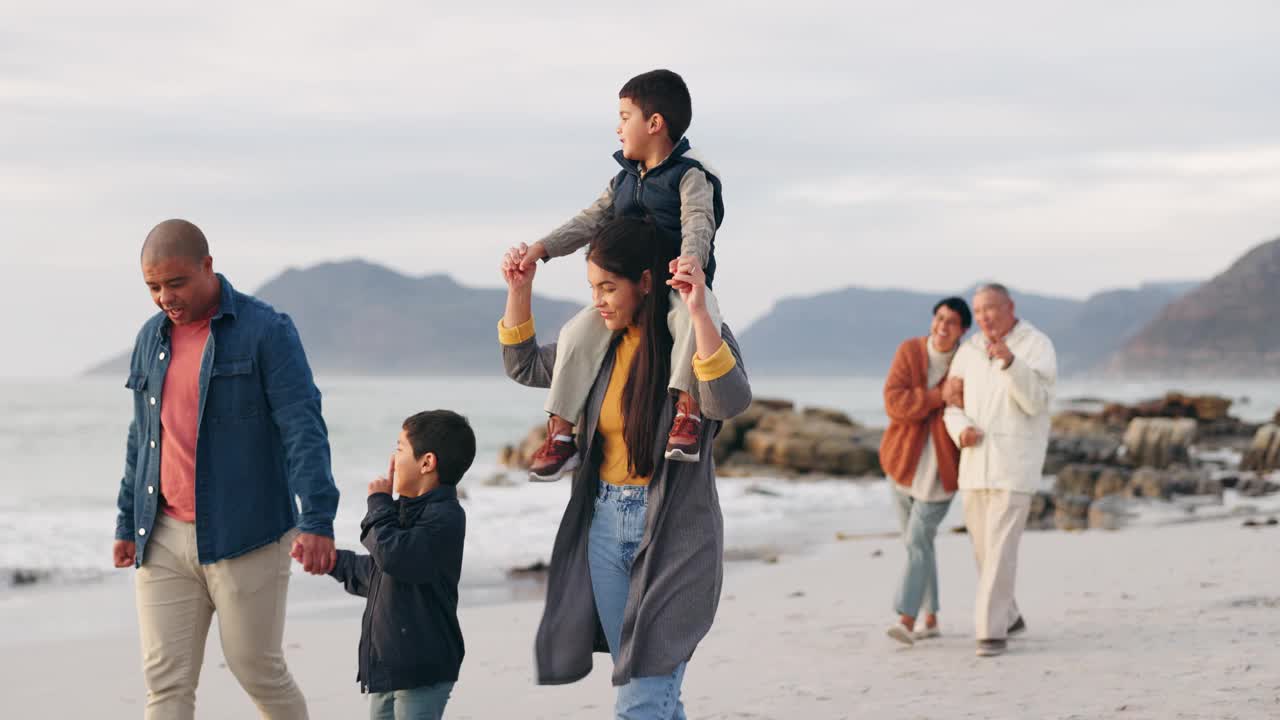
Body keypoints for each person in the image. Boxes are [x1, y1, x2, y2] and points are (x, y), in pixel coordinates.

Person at [498, 217, 750, 719]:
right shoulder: (593, 348)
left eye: (609, 287)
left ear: (647, 282)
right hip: (606, 530)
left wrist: (700, 314)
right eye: (593, 288)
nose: (600, 301)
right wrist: (520, 291)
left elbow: (728, 401)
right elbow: (524, 365)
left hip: (676, 536)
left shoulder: (692, 344)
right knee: (649, 692)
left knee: (639, 699)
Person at [112, 219, 339, 718]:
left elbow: (302, 427)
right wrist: (127, 521)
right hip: (164, 532)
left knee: (256, 668)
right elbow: (142, 436)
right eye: (153, 287)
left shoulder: (267, 331)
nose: (164, 297)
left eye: (176, 283)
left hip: (247, 531)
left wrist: (317, 520)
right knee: (165, 682)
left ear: (207, 266)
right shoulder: (151, 338)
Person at [511, 68, 726, 480]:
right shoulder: (623, 179)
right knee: (576, 333)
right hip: (628, 294)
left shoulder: (690, 174)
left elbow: (699, 221)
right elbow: (591, 219)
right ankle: (561, 433)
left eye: (625, 116)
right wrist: (543, 248)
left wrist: (690, 263)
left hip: (679, 286)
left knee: (693, 324)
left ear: (654, 123)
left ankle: (687, 412)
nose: (618, 127)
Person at [316, 410, 473, 720]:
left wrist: (377, 502)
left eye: (399, 448)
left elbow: (394, 556)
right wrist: (332, 561)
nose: (393, 458)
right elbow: (376, 573)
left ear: (427, 462)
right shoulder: (401, 515)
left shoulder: (445, 517)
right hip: (387, 666)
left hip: (422, 668)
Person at [943, 283, 1057, 657]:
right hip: (975, 466)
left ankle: (990, 633)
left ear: (1010, 306)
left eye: (990, 309)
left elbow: (1037, 401)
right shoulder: (968, 351)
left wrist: (1010, 363)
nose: (984, 318)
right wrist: (961, 431)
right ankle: (1008, 615)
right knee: (983, 550)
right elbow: (951, 405)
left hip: (1015, 464)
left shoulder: (1036, 345)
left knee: (1001, 551)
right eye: (978, 312)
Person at [880, 297, 972, 646]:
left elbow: (969, 404)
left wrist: (952, 400)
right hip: (902, 465)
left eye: (951, 322)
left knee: (918, 541)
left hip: (942, 473)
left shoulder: (967, 362)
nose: (942, 326)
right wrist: (937, 397)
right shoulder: (910, 352)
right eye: (938, 318)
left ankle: (906, 618)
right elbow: (894, 404)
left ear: (964, 330)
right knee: (918, 544)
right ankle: (931, 616)